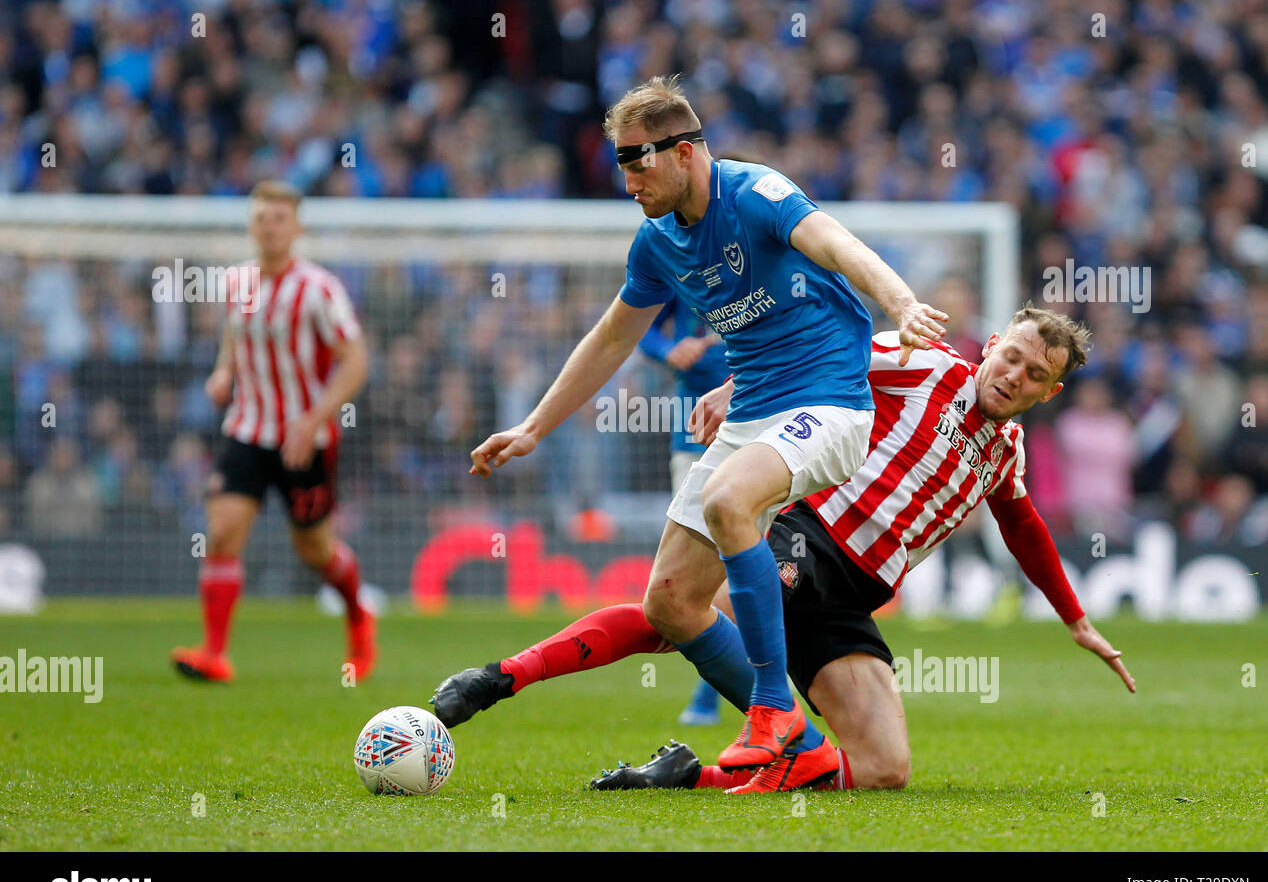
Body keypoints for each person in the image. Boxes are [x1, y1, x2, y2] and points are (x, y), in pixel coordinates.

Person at [437, 309, 1136, 793]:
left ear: (1050, 392)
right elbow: (822, 361)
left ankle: (691, 777)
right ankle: (499, 677)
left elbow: (1025, 528)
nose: (1014, 375)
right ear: (990, 346)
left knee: (884, 770)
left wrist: (1075, 619)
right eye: (1011, 356)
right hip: (807, 537)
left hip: (853, 599)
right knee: (672, 612)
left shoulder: (1006, 451)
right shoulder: (924, 365)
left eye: (1034, 373)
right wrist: (736, 387)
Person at [466, 75, 947, 778]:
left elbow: (841, 246)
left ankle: (773, 709)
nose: (627, 177)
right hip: (751, 414)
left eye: (638, 160)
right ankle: (805, 756)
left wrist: (903, 304)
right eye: (619, 162)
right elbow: (610, 338)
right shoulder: (657, 242)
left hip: (829, 406)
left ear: (686, 151)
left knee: (728, 501)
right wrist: (535, 427)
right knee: (670, 602)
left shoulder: (756, 194)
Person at [171, 180, 375, 683]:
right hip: (246, 429)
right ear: (251, 225)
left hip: (306, 439)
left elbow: (356, 361)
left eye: (279, 218)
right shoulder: (237, 282)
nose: (270, 226)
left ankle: (357, 615)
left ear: (297, 227)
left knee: (314, 550)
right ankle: (215, 653)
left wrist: (313, 419)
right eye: (262, 217)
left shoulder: (319, 289)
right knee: (221, 532)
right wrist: (224, 371)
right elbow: (235, 334)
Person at [636, 299, 729, 725]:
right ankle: (726, 684)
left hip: (762, 432)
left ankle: (711, 692)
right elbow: (641, 326)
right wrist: (667, 350)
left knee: (743, 564)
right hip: (692, 437)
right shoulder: (682, 262)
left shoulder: (763, 263)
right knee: (698, 575)